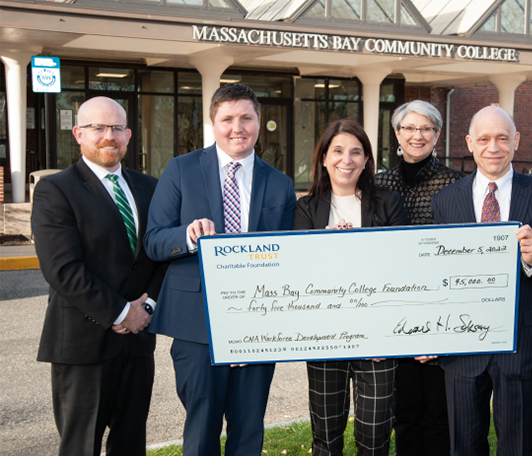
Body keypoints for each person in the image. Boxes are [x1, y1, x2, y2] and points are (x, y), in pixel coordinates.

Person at [144, 83, 296, 456]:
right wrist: (189, 237)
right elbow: (154, 240)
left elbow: (289, 259)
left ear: (260, 122)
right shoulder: (181, 169)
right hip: (196, 325)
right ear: (213, 124)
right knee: (201, 429)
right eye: (227, 119)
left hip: (258, 326)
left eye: (246, 117)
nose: (237, 127)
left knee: (248, 431)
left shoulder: (279, 184)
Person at [429, 105, 532, 456]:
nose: (493, 147)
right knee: (464, 446)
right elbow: (434, 275)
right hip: (461, 346)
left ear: (517, 141)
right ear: (469, 143)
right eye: (483, 139)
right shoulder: (446, 201)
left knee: (516, 447)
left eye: (502, 138)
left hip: (521, 345)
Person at [31, 96, 165, 456]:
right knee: (81, 447)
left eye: (117, 128)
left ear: (129, 135)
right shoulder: (56, 190)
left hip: (137, 345)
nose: (109, 136)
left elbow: (159, 257)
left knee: (131, 443)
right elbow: (62, 269)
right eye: (98, 128)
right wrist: (123, 312)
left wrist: (147, 307)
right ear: (78, 134)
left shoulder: (150, 188)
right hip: (83, 344)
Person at [294, 119, 409, 456]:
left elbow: (402, 267)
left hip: (378, 336)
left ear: (366, 160)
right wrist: (326, 246)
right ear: (324, 158)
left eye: (356, 152)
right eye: (338, 151)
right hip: (325, 336)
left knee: (375, 439)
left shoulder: (389, 203)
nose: (347, 160)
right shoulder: (306, 208)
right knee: (326, 440)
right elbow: (299, 274)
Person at [375, 100, 464, 455]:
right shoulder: (377, 184)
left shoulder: (457, 185)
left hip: (440, 312)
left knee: (440, 414)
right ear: (397, 134)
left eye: (425, 128)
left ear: (437, 135)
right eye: (409, 128)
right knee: (405, 412)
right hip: (393, 311)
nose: (417, 135)